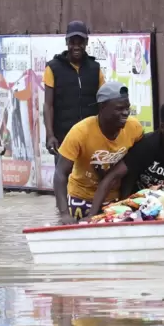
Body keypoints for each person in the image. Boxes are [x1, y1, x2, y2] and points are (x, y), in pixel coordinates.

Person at [85, 101, 164, 218]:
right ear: (163, 127)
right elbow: (114, 176)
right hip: (139, 205)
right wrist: (93, 214)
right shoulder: (147, 145)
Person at [54, 82, 144, 224]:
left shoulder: (134, 128)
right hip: (81, 198)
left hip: (115, 199)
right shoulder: (80, 132)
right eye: (119, 109)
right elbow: (60, 173)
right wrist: (64, 213)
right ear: (102, 107)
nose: (125, 113)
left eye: (127, 108)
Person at [43, 20, 106, 158]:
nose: (76, 47)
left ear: (86, 43)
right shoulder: (53, 68)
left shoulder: (95, 69)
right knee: (63, 177)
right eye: (73, 42)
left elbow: (103, 103)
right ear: (67, 42)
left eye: (80, 42)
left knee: (91, 178)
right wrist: (50, 135)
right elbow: (48, 105)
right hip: (63, 138)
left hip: (90, 137)